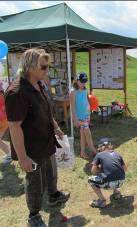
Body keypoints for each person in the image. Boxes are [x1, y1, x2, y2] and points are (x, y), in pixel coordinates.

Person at [5, 48, 70, 227]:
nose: (46, 70)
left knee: (51, 172)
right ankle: (34, 215)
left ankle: (54, 195)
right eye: (43, 67)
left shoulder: (39, 84)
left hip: (46, 140)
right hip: (31, 148)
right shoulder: (16, 92)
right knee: (35, 181)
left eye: (47, 66)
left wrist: (56, 128)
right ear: (30, 66)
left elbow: (46, 110)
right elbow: (14, 126)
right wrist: (23, 157)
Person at [88, 138, 127, 208]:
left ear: (100, 147)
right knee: (114, 173)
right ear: (110, 146)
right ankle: (117, 193)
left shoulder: (99, 155)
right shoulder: (117, 154)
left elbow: (93, 171)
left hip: (109, 183)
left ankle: (102, 201)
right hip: (121, 181)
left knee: (91, 180)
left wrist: (100, 169)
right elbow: (125, 169)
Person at [70, 72, 97, 159]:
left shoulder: (85, 90)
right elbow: (73, 107)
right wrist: (75, 119)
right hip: (80, 118)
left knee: (83, 135)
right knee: (87, 134)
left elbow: (86, 102)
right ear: (77, 81)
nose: (83, 84)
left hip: (86, 115)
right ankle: (94, 150)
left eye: (85, 82)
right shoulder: (73, 92)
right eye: (81, 82)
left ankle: (82, 152)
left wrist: (89, 112)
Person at [0, 81, 12, 164]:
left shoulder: (1, 96)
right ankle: (9, 154)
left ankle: (9, 155)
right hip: (4, 119)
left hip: (2, 120)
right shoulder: (2, 95)